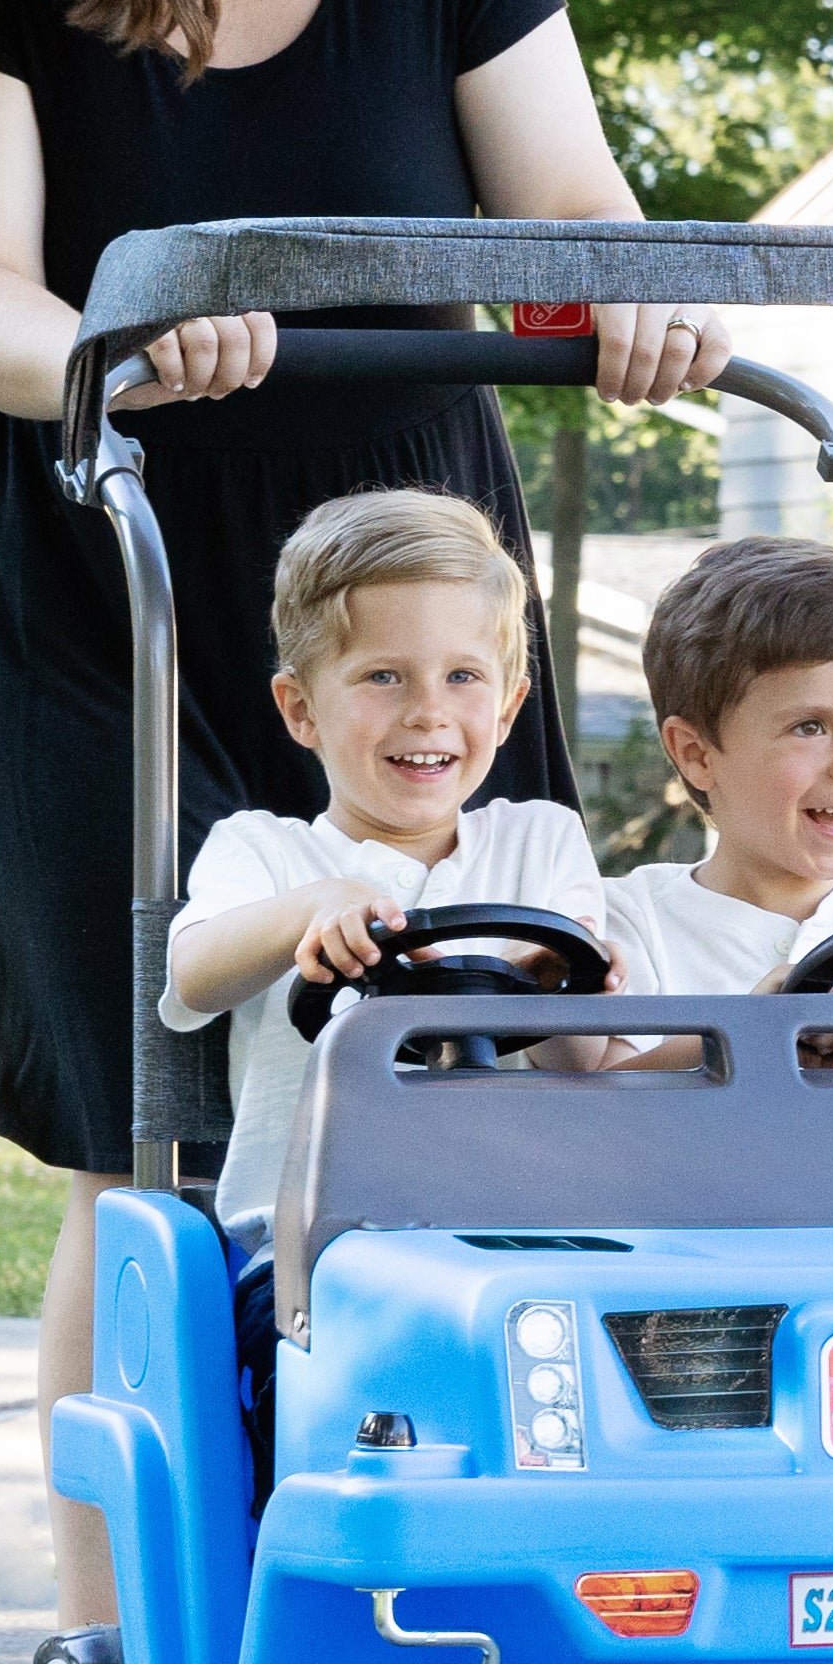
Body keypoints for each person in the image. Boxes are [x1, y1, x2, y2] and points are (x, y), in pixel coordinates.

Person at [0, 0, 728, 1622]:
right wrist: (116, 346)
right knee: (151, 1138)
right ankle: (123, 1658)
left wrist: (622, 303)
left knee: (454, 1093)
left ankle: (426, 1588)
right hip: (106, 584)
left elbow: (570, 216)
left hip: (398, 597)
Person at [162, 490, 615, 1250]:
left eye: (463, 677)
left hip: (522, 1233)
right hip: (311, 1246)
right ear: (301, 709)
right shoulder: (265, 852)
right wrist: (311, 908)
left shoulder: (541, 840)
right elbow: (193, 979)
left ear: (507, 710)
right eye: (383, 677)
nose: (427, 712)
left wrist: (564, 994)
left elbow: (580, 1065)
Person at [602, 536, 833, 1029]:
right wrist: (756, 1032)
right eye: (810, 727)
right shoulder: (633, 925)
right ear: (697, 754)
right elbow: (607, 1094)